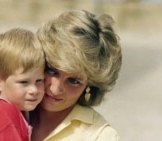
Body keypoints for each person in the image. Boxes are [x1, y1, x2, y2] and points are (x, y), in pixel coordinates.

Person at [29, 9, 122, 141]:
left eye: (73, 81)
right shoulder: (8, 111)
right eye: (51, 70)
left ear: (89, 85)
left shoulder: (100, 136)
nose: (55, 89)